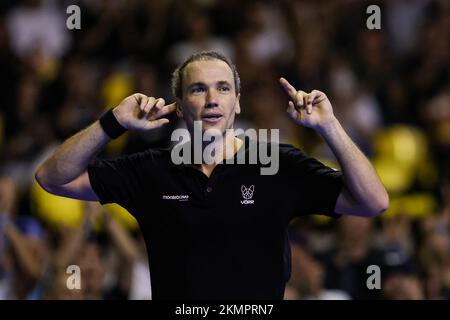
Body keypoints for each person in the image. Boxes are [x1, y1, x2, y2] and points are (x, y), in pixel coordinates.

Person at [34, 51, 389, 300]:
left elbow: (373, 202)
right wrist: (113, 122)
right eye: (197, 89)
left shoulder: (278, 163)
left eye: (223, 88)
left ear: (238, 102)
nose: (212, 99)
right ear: (179, 103)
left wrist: (328, 125)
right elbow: (53, 178)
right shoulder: (151, 169)